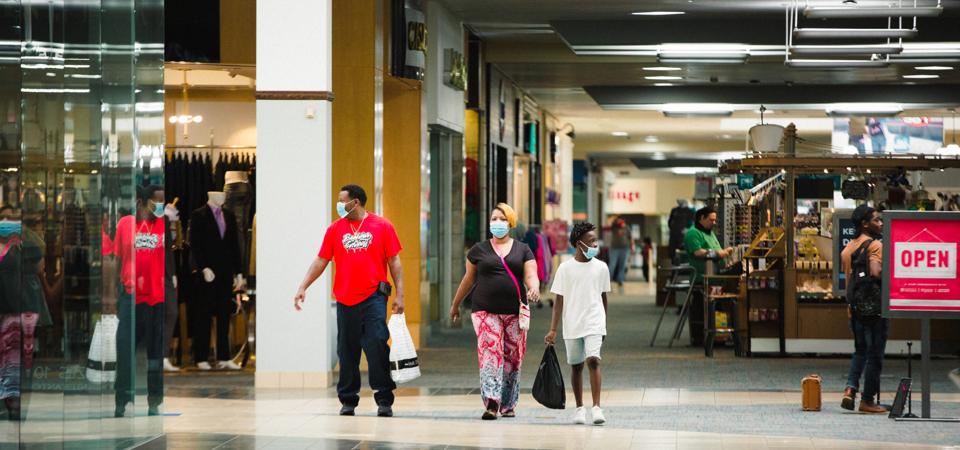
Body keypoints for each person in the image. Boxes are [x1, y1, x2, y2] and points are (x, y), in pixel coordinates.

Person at [294, 185, 405, 418]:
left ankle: (384, 398)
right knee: (347, 350)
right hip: (345, 299)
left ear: (355, 202)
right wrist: (303, 286)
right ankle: (348, 399)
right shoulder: (335, 229)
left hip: (374, 297)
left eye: (342, 200)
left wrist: (400, 294)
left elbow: (394, 261)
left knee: (377, 344)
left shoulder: (382, 226)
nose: (339, 204)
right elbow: (321, 260)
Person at [449, 203, 540, 420]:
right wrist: (455, 304)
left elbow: (530, 274)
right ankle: (491, 403)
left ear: (510, 223)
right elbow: (468, 279)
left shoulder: (523, 249)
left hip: (515, 312)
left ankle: (507, 404)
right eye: (494, 218)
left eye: (502, 219)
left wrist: (534, 288)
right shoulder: (478, 250)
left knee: (513, 357)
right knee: (490, 355)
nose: (497, 222)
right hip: (485, 311)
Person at [545, 222, 610, 425]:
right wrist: (553, 329)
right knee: (576, 366)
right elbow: (558, 301)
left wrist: (603, 325)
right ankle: (580, 408)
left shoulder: (601, 267)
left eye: (595, 240)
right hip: (572, 323)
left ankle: (597, 407)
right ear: (578, 243)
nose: (595, 244)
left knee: (593, 360)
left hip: (594, 322)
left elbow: (603, 298)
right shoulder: (565, 269)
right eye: (591, 241)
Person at [111, 185, 167, 417]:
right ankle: (122, 399)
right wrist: (112, 293)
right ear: (143, 202)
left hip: (156, 298)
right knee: (125, 349)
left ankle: (154, 400)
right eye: (157, 201)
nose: (160, 206)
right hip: (130, 296)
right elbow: (116, 260)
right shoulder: (125, 224)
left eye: (163, 202)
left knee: (155, 353)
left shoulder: (162, 225)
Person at [839, 205, 888, 414]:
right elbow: (876, 271)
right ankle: (867, 400)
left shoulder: (847, 249)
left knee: (860, 351)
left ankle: (850, 389)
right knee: (875, 354)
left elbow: (849, 281)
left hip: (855, 308)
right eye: (876, 220)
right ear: (865, 224)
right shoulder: (875, 245)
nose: (881, 223)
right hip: (875, 308)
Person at [683, 206, 734, 346]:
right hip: (703, 277)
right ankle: (701, 337)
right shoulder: (693, 233)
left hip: (716, 275)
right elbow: (698, 252)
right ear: (702, 218)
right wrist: (719, 253)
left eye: (715, 220)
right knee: (703, 307)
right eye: (711, 220)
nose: (714, 223)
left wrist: (724, 254)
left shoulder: (710, 233)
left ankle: (721, 335)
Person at [607, 218, 633, 291]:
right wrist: (615, 222)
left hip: (625, 249)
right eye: (619, 222)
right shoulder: (614, 227)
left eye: (621, 221)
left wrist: (632, 247)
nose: (621, 223)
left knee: (622, 265)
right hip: (614, 249)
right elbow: (611, 224)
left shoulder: (627, 228)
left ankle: (620, 280)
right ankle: (607, 280)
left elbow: (630, 238)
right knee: (612, 265)